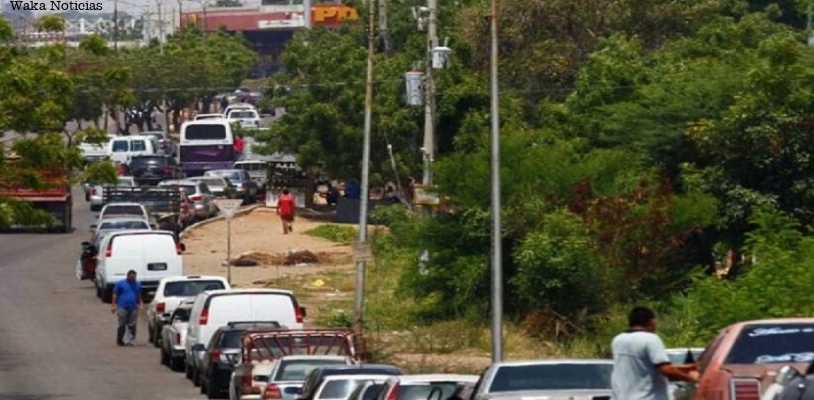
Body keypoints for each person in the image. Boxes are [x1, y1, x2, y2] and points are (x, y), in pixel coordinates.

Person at [611, 306, 699, 400]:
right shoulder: (650, 339)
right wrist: (692, 379)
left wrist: (687, 367)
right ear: (650, 321)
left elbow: (644, 368)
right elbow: (665, 370)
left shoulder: (618, 340)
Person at [110, 270, 143, 346]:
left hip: (133, 307)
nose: (133, 278)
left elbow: (139, 295)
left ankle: (131, 340)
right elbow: (115, 294)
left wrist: (141, 304)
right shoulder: (121, 283)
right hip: (122, 306)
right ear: (127, 276)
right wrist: (113, 305)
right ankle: (120, 339)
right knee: (122, 324)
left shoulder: (137, 284)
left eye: (134, 276)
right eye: (131, 276)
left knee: (132, 324)